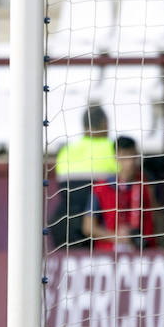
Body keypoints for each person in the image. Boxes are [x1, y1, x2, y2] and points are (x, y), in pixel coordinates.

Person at [49, 104, 117, 249]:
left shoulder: (66, 151)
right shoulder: (113, 149)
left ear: (84, 125)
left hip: (64, 225)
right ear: (105, 123)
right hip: (99, 229)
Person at [81, 136, 161, 252]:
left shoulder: (146, 183)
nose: (130, 162)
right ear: (116, 157)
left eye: (133, 155)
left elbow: (157, 217)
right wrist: (116, 237)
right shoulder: (100, 188)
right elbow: (88, 227)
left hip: (145, 251)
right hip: (110, 253)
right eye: (125, 156)